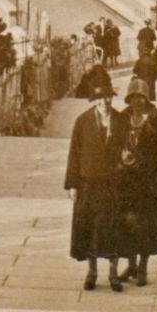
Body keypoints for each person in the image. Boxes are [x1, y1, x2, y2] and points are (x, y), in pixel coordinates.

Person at [65, 65, 128, 292]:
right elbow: (74, 153)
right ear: (94, 100)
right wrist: (72, 184)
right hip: (88, 183)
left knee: (113, 228)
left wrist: (126, 159)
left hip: (113, 183)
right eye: (100, 99)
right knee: (89, 228)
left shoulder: (122, 121)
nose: (104, 103)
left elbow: (130, 149)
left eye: (108, 98)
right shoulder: (82, 122)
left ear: (112, 97)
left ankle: (113, 274)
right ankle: (92, 272)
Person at [118, 78, 157, 287]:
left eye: (141, 98)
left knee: (146, 225)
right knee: (128, 223)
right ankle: (131, 264)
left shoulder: (156, 121)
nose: (137, 102)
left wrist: (156, 176)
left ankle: (143, 267)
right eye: (133, 98)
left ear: (147, 99)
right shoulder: (122, 118)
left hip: (148, 183)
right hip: (126, 181)